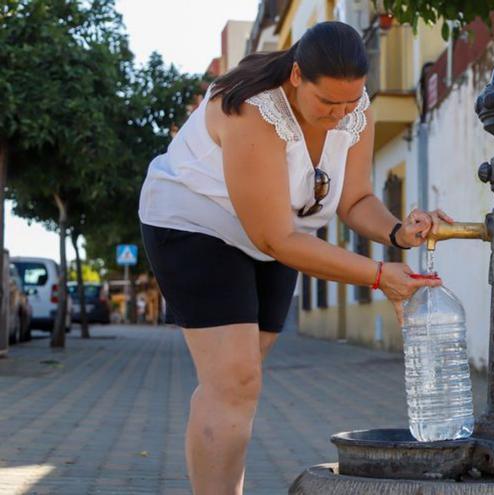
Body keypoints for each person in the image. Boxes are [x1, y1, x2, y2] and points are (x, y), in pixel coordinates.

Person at [138, 21, 449, 495]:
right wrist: (379, 275)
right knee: (235, 381)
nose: (341, 116)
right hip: (195, 223)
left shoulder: (353, 108)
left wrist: (397, 233)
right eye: (329, 104)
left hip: (282, 230)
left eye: (351, 104)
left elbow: (355, 198)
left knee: (237, 383)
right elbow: (275, 240)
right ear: (298, 76)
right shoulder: (250, 109)